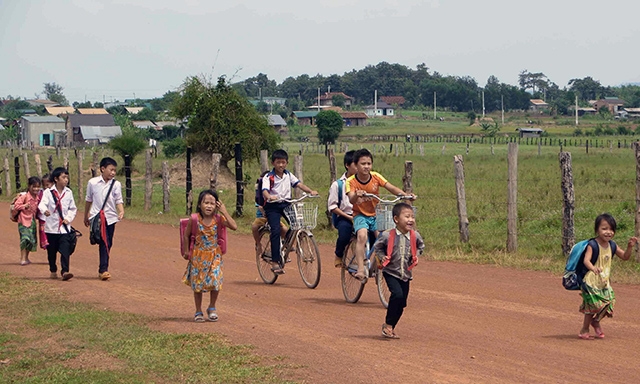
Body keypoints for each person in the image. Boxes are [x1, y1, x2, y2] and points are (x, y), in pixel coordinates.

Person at [346, 148, 413, 280]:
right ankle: (360, 268)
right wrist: (356, 195)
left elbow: (391, 187)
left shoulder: (376, 177)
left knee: (385, 238)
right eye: (363, 164)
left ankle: (379, 265)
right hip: (360, 215)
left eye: (369, 163)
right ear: (356, 165)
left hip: (377, 214)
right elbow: (351, 198)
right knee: (362, 236)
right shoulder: (351, 181)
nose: (366, 167)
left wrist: (406, 196)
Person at [578, 213, 637, 339]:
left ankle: (596, 321)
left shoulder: (612, 245)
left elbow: (625, 257)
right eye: (604, 229)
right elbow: (586, 260)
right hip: (591, 282)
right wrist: (593, 268)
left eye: (611, 229)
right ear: (597, 230)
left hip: (604, 282)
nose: (608, 232)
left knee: (609, 303)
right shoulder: (592, 245)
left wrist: (629, 247)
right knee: (592, 306)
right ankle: (584, 329)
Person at [182, 190, 237, 322]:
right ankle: (198, 310)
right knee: (198, 284)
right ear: (200, 204)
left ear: (217, 205)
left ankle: (212, 307)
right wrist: (186, 251)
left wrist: (224, 211)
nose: (209, 206)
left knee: (216, 281)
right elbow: (186, 235)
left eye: (212, 203)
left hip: (214, 255)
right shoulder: (194, 219)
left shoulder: (218, 219)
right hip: (198, 257)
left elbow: (234, 226)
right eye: (206, 203)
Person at [373, 203, 425, 339]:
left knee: (402, 303)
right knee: (397, 295)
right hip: (390, 271)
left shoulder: (415, 236)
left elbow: (421, 246)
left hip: (406, 273)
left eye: (412, 217)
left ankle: (390, 326)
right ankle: (388, 325)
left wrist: (416, 255)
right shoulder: (387, 235)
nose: (411, 220)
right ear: (396, 219)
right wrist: (381, 256)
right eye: (407, 216)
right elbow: (377, 247)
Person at [262, 149, 318, 275]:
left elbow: (299, 184)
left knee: (297, 224)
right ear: (273, 163)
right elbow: (264, 190)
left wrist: (310, 191)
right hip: (272, 206)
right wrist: (269, 196)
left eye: (283, 162)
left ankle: (287, 243)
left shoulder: (288, 175)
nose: (281, 165)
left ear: (286, 163)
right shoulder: (268, 177)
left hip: (286, 204)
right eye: (278, 162)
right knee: (275, 230)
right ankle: (275, 261)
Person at [84, 157, 124, 281]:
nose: (113, 173)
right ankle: (103, 269)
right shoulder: (92, 183)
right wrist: (86, 215)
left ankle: (103, 269)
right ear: (102, 169)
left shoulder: (116, 184)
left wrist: (121, 210)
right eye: (111, 170)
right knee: (101, 240)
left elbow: (118, 200)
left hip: (110, 217)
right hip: (97, 217)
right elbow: (88, 200)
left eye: (114, 171)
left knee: (108, 242)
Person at [38, 168, 78, 281]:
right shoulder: (48, 192)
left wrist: (68, 218)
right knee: (52, 252)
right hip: (51, 228)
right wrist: (45, 211)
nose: (66, 180)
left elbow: (72, 208)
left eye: (67, 177)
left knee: (65, 250)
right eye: (63, 177)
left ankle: (65, 271)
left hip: (64, 228)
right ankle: (53, 269)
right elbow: (42, 204)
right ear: (56, 179)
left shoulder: (69, 193)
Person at [327, 150, 357, 268]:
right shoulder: (338, 185)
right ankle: (339, 254)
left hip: (362, 215)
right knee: (344, 235)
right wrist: (349, 217)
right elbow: (333, 206)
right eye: (356, 164)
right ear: (347, 165)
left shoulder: (365, 182)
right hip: (344, 216)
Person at [253, 171, 288, 258]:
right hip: (263, 217)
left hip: (273, 217)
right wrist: (264, 213)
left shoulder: (275, 192)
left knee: (284, 229)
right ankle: (258, 244)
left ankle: (284, 245)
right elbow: (259, 206)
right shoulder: (261, 193)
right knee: (254, 226)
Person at [11, 176, 42, 266]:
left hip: (32, 221)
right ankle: (22, 258)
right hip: (23, 220)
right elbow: (16, 206)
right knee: (25, 239)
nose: (36, 189)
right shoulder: (24, 196)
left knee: (31, 240)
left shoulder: (37, 197)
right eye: (34, 186)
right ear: (29, 186)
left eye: (37, 186)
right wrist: (24, 206)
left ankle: (26, 257)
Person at [38, 173, 52, 250]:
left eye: (48, 185)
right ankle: (46, 244)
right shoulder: (40, 192)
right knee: (43, 231)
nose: (46, 187)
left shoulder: (54, 192)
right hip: (43, 216)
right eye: (44, 185)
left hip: (53, 217)